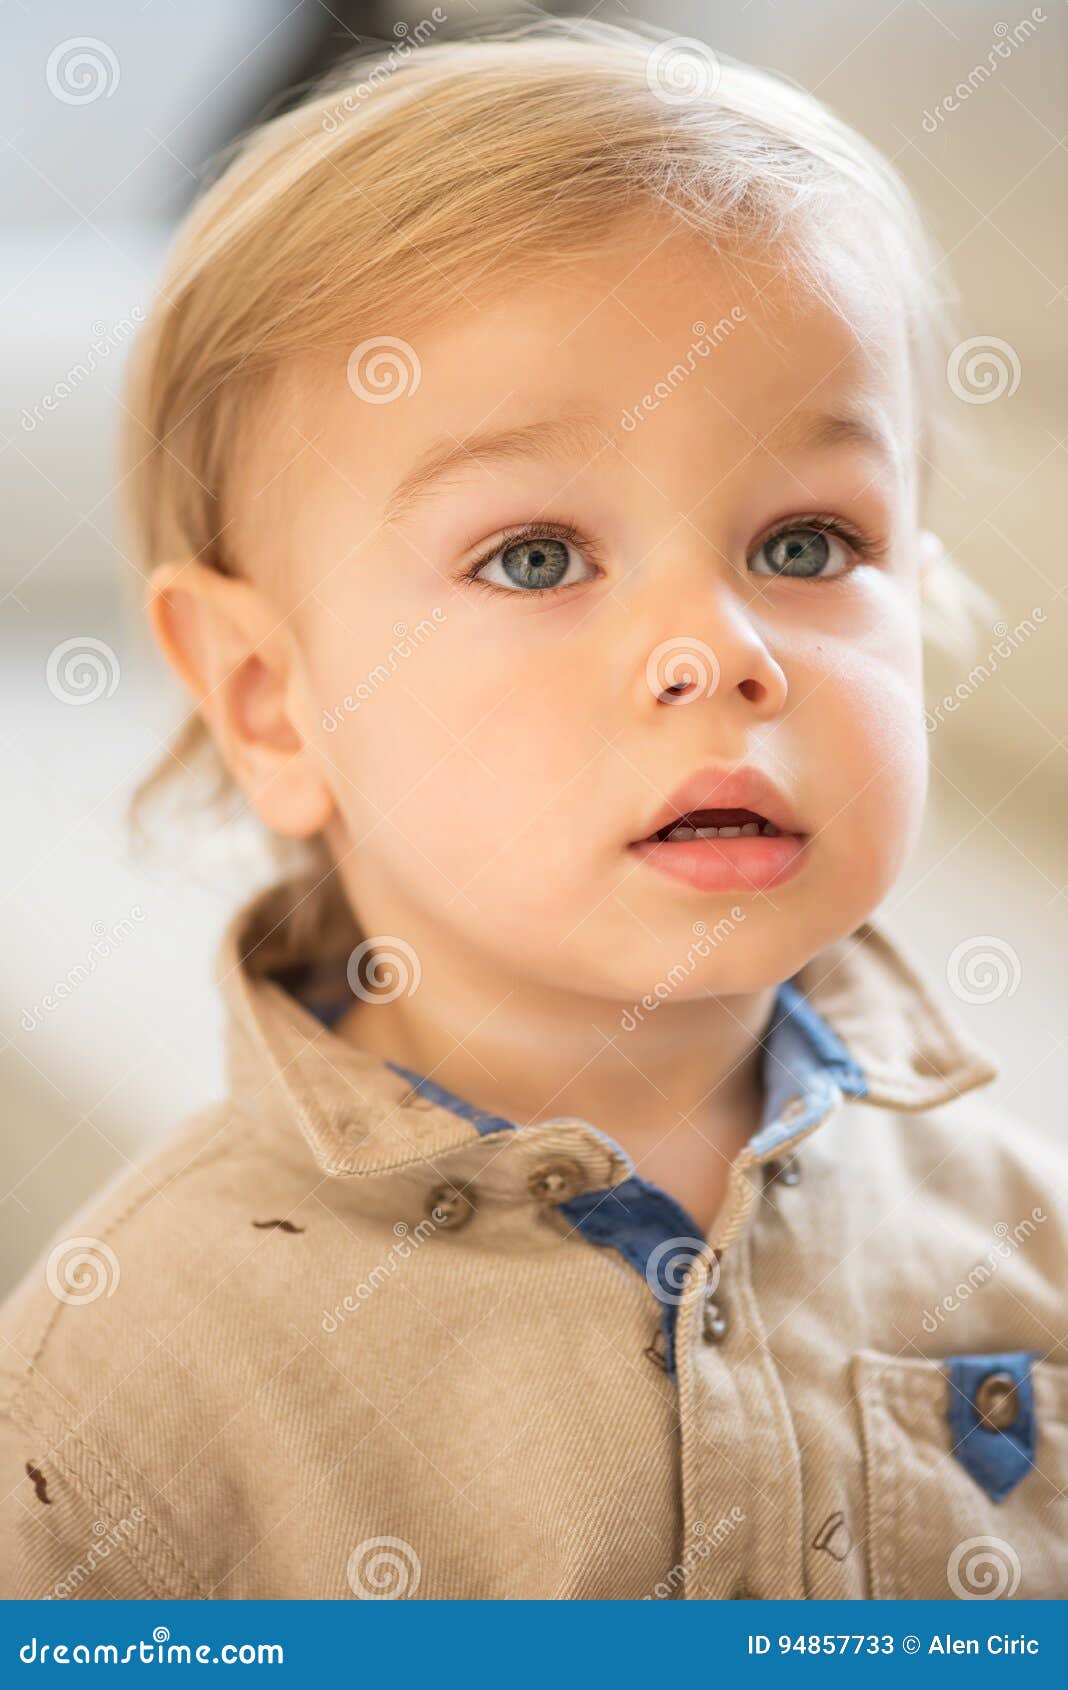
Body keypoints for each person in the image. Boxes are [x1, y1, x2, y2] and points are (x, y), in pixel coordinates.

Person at [2, 17, 1063, 1601]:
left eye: (804, 542)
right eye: (537, 558)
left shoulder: (1019, 1240)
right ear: (270, 700)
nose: (724, 651)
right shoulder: (123, 1384)